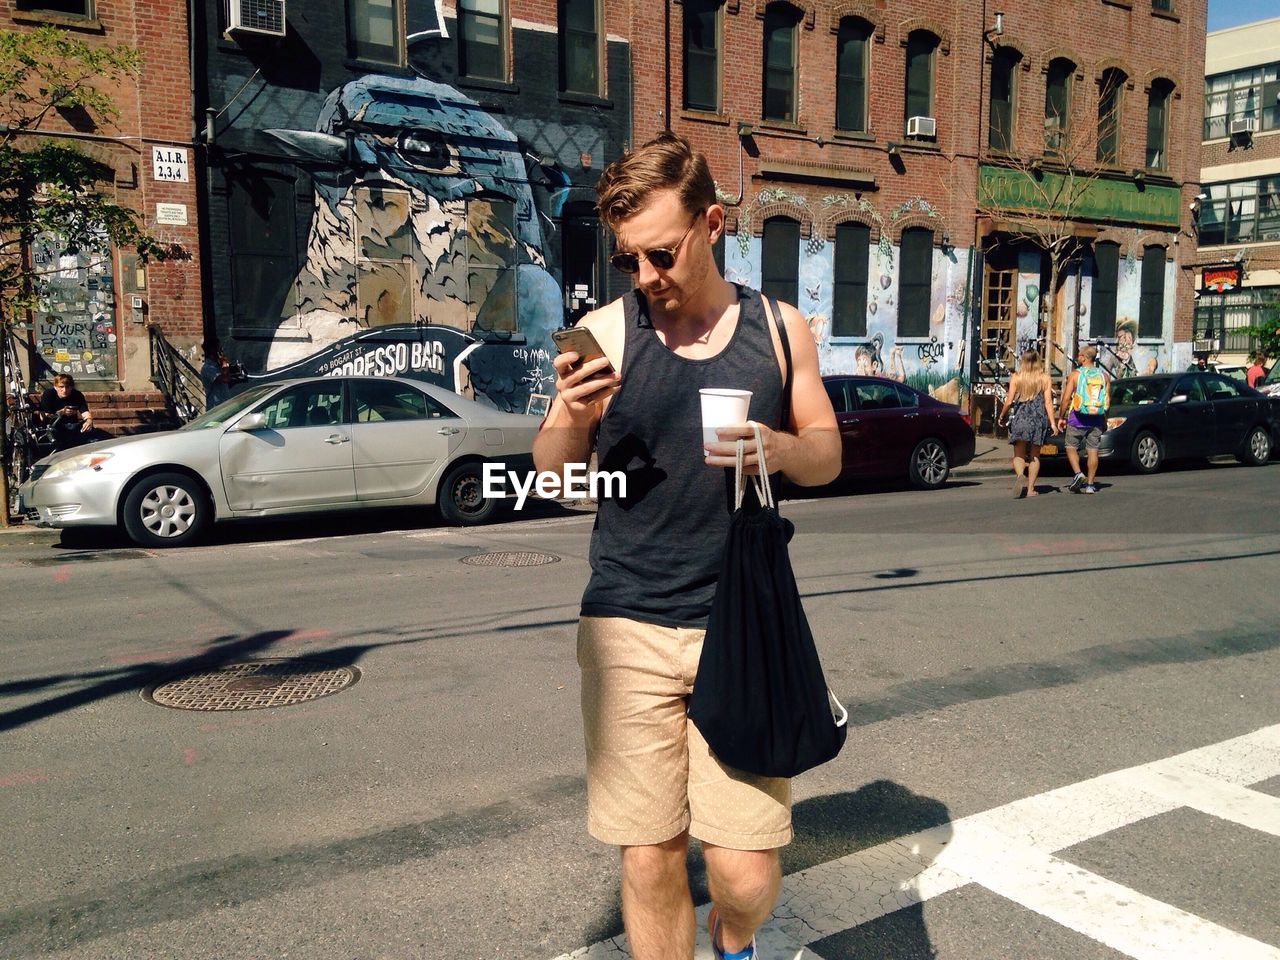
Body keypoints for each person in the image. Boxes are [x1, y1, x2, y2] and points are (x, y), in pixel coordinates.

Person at [532, 132, 840, 960]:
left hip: (741, 622)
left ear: (711, 224)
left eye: (661, 255)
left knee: (742, 872)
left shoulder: (780, 330)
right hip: (627, 618)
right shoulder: (605, 331)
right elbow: (557, 479)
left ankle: (732, 936)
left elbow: (828, 451)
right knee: (650, 850)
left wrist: (780, 448)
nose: (646, 278)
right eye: (630, 259)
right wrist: (568, 414)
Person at [998, 350, 1058, 498]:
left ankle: (1020, 475)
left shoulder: (1017, 377)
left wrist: (1001, 415)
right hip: (1038, 419)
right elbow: (1048, 402)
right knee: (1035, 455)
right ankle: (1031, 489)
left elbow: (1009, 400)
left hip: (1020, 418)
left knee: (1018, 453)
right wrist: (1053, 423)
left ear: (1023, 361)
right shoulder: (1044, 378)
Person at [1057, 344, 1111, 494]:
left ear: (1085, 358)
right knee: (1093, 451)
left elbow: (1066, 398)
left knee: (1070, 446)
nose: (1078, 357)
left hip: (1077, 417)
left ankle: (1078, 473)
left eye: (1079, 355)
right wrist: (1105, 419)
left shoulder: (1075, 374)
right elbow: (1107, 401)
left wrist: (1061, 417)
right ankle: (1090, 485)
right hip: (1097, 419)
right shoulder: (1104, 376)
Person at [37, 373, 93, 451]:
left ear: (72, 387)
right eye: (61, 387)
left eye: (68, 387)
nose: (64, 390)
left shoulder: (77, 395)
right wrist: (61, 412)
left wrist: (89, 421)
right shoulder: (48, 395)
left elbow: (85, 412)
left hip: (72, 426)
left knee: (93, 435)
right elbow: (44, 417)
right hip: (53, 427)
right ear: (55, 387)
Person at [201, 342, 233, 409]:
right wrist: (225, 364)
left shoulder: (217, 366)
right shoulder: (208, 368)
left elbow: (229, 379)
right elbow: (225, 379)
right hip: (216, 407)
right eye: (220, 350)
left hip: (224, 404)